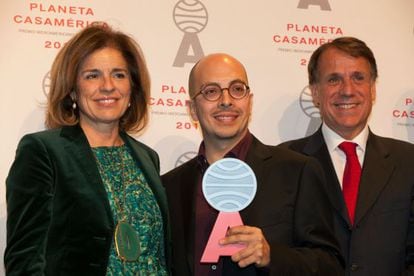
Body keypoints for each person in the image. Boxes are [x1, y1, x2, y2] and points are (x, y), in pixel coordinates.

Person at [4, 23, 170, 275]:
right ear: (72, 89)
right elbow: (24, 259)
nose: (107, 86)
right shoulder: (42, 152)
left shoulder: (148, 158)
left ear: (132, 87)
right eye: (92, 75)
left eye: (119, 74)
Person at [162, 53, 344, 275]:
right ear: (192, 109)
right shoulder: (169, 186)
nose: (226, 101)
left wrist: (272, 256)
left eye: (237, 89)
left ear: (249, 101)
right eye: (211, 91)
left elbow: (329, 265)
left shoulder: (297, 172)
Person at [280, 37, 414, 275]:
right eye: (334, 79)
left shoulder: (408, 161)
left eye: (358, 78)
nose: (348, 90)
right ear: (315, 92)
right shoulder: (284, 162)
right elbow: (281, 253)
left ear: (372, 89)